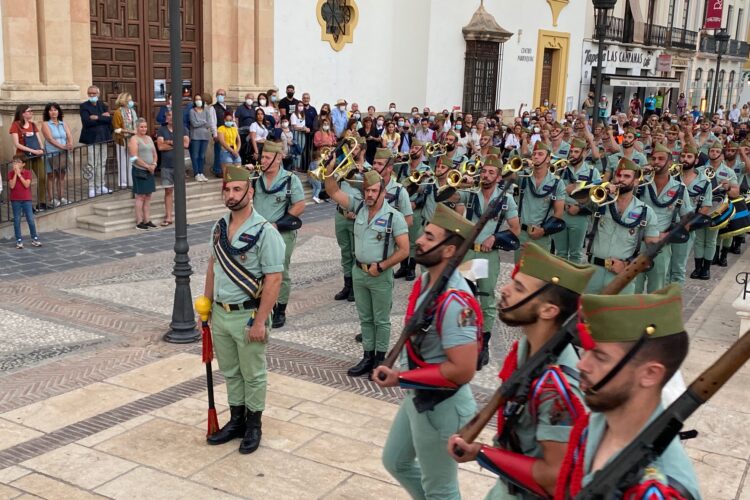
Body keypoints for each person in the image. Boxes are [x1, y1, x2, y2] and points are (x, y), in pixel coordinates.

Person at [449, 242, 594, 499]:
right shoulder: (527, 346)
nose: (504, 290)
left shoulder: (558, 386)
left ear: (549, 310)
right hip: (509, 483)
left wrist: (482, 453)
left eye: (518, 288)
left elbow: (554, 476)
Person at [374, 204, 481, 499]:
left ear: (449, 251)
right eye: (424, 233)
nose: (419, 240)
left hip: (443, 407)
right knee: (395, 461)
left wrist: (401, 378)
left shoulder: (456, 301)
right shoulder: (426, 282)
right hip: (419, 396)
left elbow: (463, 370)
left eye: (430, 237)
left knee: (441, 489)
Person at [555, 285, 700, 499]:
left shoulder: (660, 490)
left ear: (650, 374)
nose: (581, 365)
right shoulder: (594, 425)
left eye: (600, 357)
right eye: (586, 352)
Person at [202, 165, 285, 455]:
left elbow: (274, 279)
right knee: (231, 371)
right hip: (221, 314)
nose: (231, 194)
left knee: (253, 373)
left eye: (237, 189)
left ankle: (254, 425)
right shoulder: (219, 227)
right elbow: (213, 266)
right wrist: (206, 305)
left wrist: (261, 321)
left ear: (250, 192)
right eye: (227, 189)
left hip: (248, 315)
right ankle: (236, 420)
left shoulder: (265, 232)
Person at [324, 168, 409, 376]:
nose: (369, 195)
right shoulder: (359, 207)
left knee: (381, 319)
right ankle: (367, 356)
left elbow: (405, 250)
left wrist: (382, 265)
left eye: (374, 191)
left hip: (380, 274)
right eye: (366, 191)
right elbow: (333, 191)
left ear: (382, 192)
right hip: (359, 271)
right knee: (365, 318)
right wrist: (328, 171)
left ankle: (381, 361)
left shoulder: (394, 217)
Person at [457, 154, 520, 367]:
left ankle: (483, 344)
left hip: (487, 255)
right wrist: (461, 182)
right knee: (466, 298)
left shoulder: (506, 200)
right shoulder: (471, 195)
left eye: (491, 172)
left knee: (486, 300)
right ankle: (465, 340)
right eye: (484, 171)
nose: (486, 175)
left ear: (499, 177)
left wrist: (496, 237)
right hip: (469, 253)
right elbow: (448, 196)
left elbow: (515, 228)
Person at [585, 158, 660, 293]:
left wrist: (627, 265)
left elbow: (653, 248)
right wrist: (600, 185)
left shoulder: (645, 211)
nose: (621, 179)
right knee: (589, 312)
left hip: (621, 275)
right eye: (618, 175)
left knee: (617, 313)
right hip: (594, 271)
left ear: (636, 181)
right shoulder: (600, 202)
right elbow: (572, 191)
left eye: (627, 176)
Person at [252, 140, 305, 328]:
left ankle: (280, 310)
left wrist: (277, 224)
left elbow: (299, 205)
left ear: (278, 158)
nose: (262, 160)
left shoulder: (291, 179)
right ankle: (260, 305)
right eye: (262, 156)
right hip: (257, 233)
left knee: (280, 271)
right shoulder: (255, 179)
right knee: (257, 270)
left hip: (281, 233)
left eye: (267, 157)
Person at [632, 143, 693, 294]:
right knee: (634, 287)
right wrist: (636, 178)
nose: (656, 162)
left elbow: (687, 218)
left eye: (661, 159)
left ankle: (652, 318)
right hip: (636, 243)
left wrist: (669, 235)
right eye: (653, 158)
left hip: (661, 245)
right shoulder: (640, 183)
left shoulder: (680, 188)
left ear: (670, 163)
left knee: (657, 288)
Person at [553, 136, 601, 263]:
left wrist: (580, 208)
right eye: (571, 151)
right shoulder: (561, 169)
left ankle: (572, 282)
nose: (572, 155)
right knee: (560, 253)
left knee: (576, 254)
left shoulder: (592, 172)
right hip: (561, 213)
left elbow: (596, 197)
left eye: (576, 152)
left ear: (584, 153)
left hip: (579, 216)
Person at [515, 141, 566, 258]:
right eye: (534, 154)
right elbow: (505, 176)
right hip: (522, 233)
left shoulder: (557, 183)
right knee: (519, 273)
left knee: (538, 274)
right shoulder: (523, 176)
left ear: (548, 159)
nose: (536, 156)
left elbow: (558, 213)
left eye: (540, 154)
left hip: (542, 235)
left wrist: (543, 230)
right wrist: (520, 166)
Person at [333, 135, 368, 302]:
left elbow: (371, 196)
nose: (352, 151)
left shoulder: (368, 169)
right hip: (341, 214)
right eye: (351, 148)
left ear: (363, 150)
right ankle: (347, 285)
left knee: (357, 253)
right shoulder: (344, 167)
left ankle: (356, 286)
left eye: (356, 149)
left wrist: (358, 211)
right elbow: (332, 187)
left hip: (357, 216)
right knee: (345, 252)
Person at [670, 144, 712, 282]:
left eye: (689, 157)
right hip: (666, 226)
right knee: (663, 267)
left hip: (686, 229)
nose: (685, 159)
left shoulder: (704, 181)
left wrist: (688, 226)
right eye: (683, 156)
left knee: (678, 268)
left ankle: (674, 300)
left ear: (696, 160)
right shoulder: (671, 177)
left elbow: (705, 207)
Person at [10, 104, 47, 210]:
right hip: (23, 157)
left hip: (36, 156)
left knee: (42, 177)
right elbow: (17, 144)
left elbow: (39, 139)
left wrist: (41, 149)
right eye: (29, 111)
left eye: (31, 111)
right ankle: (27, 204)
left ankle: (41, 202)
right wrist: (33, 151)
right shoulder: (15, 125)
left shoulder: (33, 124)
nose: (31, 113)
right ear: (22, 113)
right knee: (25, 180)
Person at [156, 110, 189, 226]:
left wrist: (169, 142)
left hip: (179, 166)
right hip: (166, 166)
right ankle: (169, 216)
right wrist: (176, 144)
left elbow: (185, 144)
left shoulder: (182, 129)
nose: (171, 117)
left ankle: (182, 217)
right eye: (169, 115)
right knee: (168, 191)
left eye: (173, 115)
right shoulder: (161, 130)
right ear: (166, 118)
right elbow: (160, 146)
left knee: (181, 192)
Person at [79, 87, 113, 198]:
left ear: (98, 93)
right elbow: (86, 121)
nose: (92, 95)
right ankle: (91, 187)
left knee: (102, 163)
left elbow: (109, 120)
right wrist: (102, 118)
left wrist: (97, 117)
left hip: (103, 137)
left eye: (94, 93)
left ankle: (100, 186)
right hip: (92, 139)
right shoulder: (84, 106)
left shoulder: (102, 105)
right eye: (90, 93)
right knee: (91, 164)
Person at [41, 103, 73, 207]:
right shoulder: (45, 124)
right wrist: (62, 146)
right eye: (51, 110)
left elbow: (69, 135)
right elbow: (49, 139)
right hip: (51, 153)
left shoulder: (63, 123)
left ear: (58, 111)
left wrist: (70, 144)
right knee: (51, 176)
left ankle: (61, 197)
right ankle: (51, 199)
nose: (53, 112)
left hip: (63, 153)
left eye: (55, 110)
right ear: (48, 112)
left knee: (61, 176)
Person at [129, 118, 157, 230]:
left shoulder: (149, 138)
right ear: (137, 127)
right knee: (140, 196)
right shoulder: (134, 139)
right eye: (141, 127)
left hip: (150, 170)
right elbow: (134, 157)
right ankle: (139, 222)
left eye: (145, 127)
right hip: (139, 170)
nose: (144, 129)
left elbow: (154, 153)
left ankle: (147, 220)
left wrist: (154, 164)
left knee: (148, 196)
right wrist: (147, 166)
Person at [7, 155, 42, 249]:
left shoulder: (27, 173)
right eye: (14, 162)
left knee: (30, 219)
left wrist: (19, 175)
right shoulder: (10, 173)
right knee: (17, 220)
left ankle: (35, 238)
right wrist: (15, 174)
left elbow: (26, 185)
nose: (15, 164)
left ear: (23, 164)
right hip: (15, 200)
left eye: (18, 162)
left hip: (26, 199)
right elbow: (12, 186)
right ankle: (19, 240)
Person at [112, 92, 138, 188]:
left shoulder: (132, 111)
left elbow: (136, 123)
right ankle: (123, 183)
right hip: (122, 140)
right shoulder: (118, 112)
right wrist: (130, 131)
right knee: (122, 161)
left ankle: (131, 182)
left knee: (131, 161)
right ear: (124, 101)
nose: (131, 102)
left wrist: (135, 131)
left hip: (132, 140)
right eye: (129, 100)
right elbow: (116, 129)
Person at [312, 117, 337, 203]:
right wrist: (325, 143)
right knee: (321, 175)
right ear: (321, 125)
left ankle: (327, 194)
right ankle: (318, 194)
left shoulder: (331, 133)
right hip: (321, 154)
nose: (326, 126)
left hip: (329, 155)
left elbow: (334, 142)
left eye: (327, 124)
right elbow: (316, 143)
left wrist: (333, 145)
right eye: (324, 124)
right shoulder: (318, 133)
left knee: (328, 174)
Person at [211, 88, 233, 178]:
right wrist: (215, 134)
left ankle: (228, 170)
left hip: (229, 133)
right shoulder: (214, 108)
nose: (221, 96)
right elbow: (213, 122)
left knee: (228, 152)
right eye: (219, 94)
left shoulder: (229, 108)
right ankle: (218, 170)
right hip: (220, 132)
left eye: (222, 94)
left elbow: (233, 120)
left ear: (225, 96)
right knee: (219, 152)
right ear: (216, 96)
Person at [189, 94, 211, 182]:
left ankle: (201, 173)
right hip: (195, 136)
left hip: (205, 136)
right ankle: (196, 173)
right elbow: (194, 124)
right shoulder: (192, 111)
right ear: (194, 101)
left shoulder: (206, 111)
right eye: (196, 99)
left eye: (200, 99)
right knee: (195, 156)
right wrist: (203, 122)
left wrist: (200, 122)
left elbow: (208, 123)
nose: (198, 101)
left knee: (202, 156)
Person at [236, 93, 257, 164]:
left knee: (251, 150)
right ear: (245, 98)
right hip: (243, 132)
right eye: (248, 98)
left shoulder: (254, 109)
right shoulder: (240, 108)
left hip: (252, 133)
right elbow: (236, 119)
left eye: (252, 98)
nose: (250, 100)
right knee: (243, 149)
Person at [290, 101, 309, 171]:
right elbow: (294, 127)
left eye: (302, 105)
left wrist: (306, 128)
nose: (300, 107)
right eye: (299, 105)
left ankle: (298, 166)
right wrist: (303, 128)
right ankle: (294, 166)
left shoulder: (302, 115)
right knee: (296, 150)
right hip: (296, 134)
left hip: (302, 134)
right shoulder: (293, 115)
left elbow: (302, 125)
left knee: (300, 150)